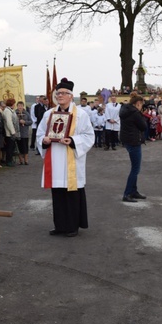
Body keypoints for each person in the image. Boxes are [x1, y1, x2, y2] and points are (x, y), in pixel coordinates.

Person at [37, 78, 95, 237]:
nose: (60, 96)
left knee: (71, 194)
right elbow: (40, 133)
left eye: (64, 93)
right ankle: (60, 226)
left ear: (71, 96)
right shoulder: (49, 114)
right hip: (54, 158)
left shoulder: (81, 115)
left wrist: (73, 141)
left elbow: (89, 136)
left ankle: (72, 226)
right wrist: (44, 140)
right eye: (58, 93)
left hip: (71, 159)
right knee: (58, 195)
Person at [119, 92, 148, 203]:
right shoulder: (135, 113)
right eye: (142, 104)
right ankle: (127, 194)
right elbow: (143, 126)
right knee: (135, 169)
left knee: (135, 168)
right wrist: (142, 114)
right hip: (134, 141)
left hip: (127, 140)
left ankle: (133, 191)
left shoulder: (125, 110)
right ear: (138, 103)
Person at [2, 98, 17, 167]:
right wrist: (13, 132)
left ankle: (10, 160)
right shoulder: (7, 111)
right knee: (9, 147)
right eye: (14, 103)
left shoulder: (10, 110)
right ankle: (8, 161)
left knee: (11, 147)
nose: (15, 105)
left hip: (11, 131)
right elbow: (9, 122)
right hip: (9, 133)